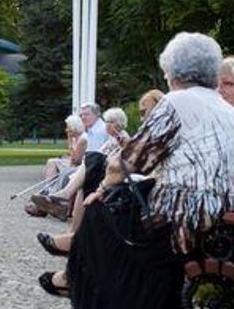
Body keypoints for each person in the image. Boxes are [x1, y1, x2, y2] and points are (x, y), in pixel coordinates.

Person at [41, 32, 234, 309]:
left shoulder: (178, 102)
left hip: (190, 227)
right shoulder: (225, 108)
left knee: (98, 223)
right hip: (229, 230)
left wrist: (100, 191)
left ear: (172, 73)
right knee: (118, 218)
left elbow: (127, 161)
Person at [36, 93, 164, 255]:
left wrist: (123, 148)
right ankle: (74, 231)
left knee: (91, 161)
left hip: (129, 176)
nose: (140, 119)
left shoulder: (145, 134)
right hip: (112, 171)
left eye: (143, 113)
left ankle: (63, 201)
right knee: (84, 174)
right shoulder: (128, 136)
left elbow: (133, 162)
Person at [31, 106, 129, 223]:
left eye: (108, 122)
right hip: (95, 167)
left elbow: (116, 159)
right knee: (68, 171)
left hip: (105, 172)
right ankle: (56, 200)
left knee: (71, 171)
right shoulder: (111, 139)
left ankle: (58, 201)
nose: (105, 125)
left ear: (116, 124)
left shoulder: (123, 138)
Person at [25, 115, 87, 218]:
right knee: (52, 162)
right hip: (74, 162)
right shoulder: (75, 138)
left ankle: (46, 201)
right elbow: (71, 155)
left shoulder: (82, 139)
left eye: (68, 127)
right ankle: (48, 191)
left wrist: (70, 141)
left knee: (63, 170)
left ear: (74, 127)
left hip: (78, 165)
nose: (66, 130)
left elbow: (75, 160)